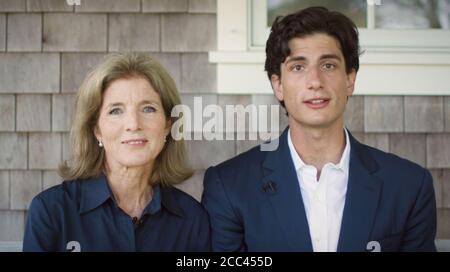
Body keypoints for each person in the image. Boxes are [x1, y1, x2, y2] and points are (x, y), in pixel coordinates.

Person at [202, 7, 436, 252]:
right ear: (278, 85)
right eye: (298, 67)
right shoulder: (229, 186)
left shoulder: (408, 186)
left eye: (328, 66)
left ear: (350, 80)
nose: (315, 81)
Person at [23, 53, 210, 252]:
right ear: (97, 131)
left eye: (148, 109)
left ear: (167, 125)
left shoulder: (193, 219)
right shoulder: (52, 212)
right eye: (115, 111)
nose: (133, 124)